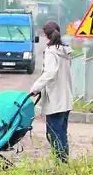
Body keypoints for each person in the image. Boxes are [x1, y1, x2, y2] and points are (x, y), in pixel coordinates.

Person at [29, 21, 73, 163]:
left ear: (45, 35)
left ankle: (61, 162)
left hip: (55, 100)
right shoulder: (65, 51)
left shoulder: (51, 52)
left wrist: (35, 88)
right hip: (66, 99)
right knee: (61, 132)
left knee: (53, 134)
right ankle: (64, 161)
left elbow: (50, 72)